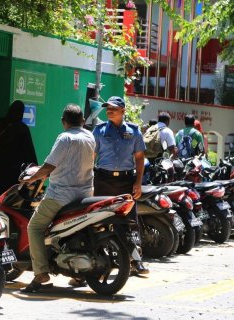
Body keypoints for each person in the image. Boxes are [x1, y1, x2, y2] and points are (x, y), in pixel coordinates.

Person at [20, 104, 96, 292]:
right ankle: (78, 275)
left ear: (63, 121)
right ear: (83, 121)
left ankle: (41, 273)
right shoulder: (90, 136)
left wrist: (32, 178)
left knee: (35, 227)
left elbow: (49, 166)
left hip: (61, 196)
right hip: (85, 194)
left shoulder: (65, 138)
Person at [88, 96, 149, 283]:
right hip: (103, 180)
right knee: (96, 221)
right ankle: (90, 265)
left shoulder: (134, 131)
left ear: (123, 111)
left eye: (113, 108)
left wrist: (138, 182)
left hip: (125, 182)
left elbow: (139, 158)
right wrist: (89, 182)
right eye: (107, 108)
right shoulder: (98, 131)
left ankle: (135, 260)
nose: (109, 111)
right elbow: (91, 158)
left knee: (129, 222)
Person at [0, 100, 38, 200]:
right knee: (11, 197)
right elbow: (29, 151)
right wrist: (35, 169)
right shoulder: (22, 128)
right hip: (13, 171)